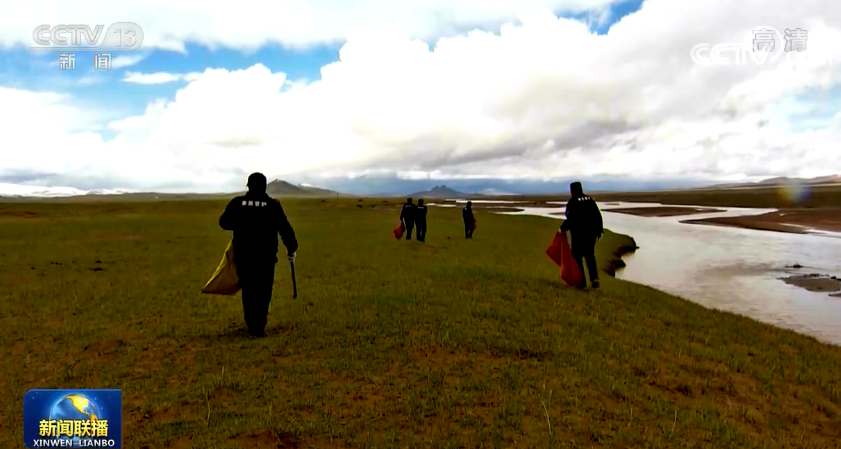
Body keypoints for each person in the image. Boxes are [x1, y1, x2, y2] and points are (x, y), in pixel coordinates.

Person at [219, 172, 298, 337]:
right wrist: (291, 248)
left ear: (248, 186)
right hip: (266, 258)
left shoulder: (237, 203)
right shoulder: (273, 205)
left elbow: (224, 222)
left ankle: (252, 324)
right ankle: (259, 326)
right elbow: (285, 228)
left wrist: (241, 222)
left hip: (244, 257)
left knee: (248, 290)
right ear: (265, 187)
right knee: (264, 291)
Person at [559, 181, 603, 289]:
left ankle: (581, 282)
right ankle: (594, 279)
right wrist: (599, 231)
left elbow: (571, 219)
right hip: (591, 234)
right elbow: (598, 216)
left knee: (577, 257)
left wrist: (562, 229)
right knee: (589, 255)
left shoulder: (573, 202)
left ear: (573, 191)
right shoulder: (590, 200)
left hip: (578, 235)